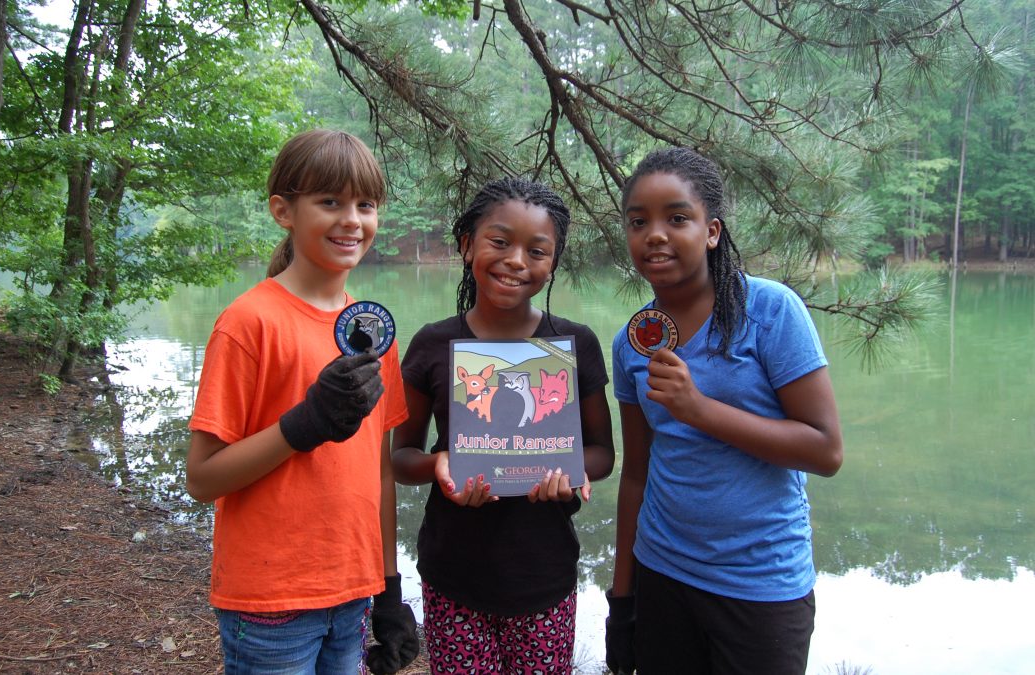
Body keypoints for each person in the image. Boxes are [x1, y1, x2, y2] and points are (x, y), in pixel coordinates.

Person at [185, 129, 419, 674]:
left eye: (366, 205)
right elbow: (203, 478)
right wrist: (304, 425)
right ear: (283, 211)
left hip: (353, 592)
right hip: (273, 601)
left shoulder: (370, 328)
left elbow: (378, 472)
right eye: (330, 202)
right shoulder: (249, 322)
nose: (352, 220)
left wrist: (388, 591)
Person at [605, 147, 844, 675]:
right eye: (638, 221)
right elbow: (636, 477)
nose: (656, 234)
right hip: (662, 572)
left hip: (760, 584)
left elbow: (825, 451)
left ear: (711, 231)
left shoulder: (770, 310)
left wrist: (700, 409)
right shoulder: (631, 343)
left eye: (678, 218)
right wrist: (622, 600)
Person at [391, 177, 615, 673]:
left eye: (537, 250)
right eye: (500, 241)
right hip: (454, 574)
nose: (517, 260)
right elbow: (401, 457)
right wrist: (439, 464)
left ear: (552, 262)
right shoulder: (433, 343)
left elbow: (603, 453)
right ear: (468, 244)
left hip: (544, 574)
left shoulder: (574, 343)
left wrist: (570, 470)